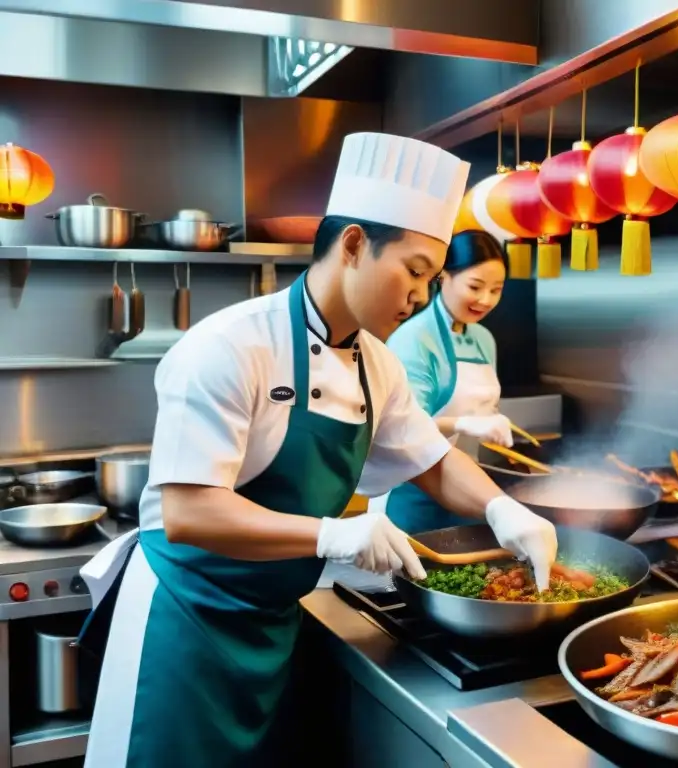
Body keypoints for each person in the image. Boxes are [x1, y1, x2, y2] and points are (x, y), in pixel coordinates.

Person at [80, 132, 557, 768]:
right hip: (185, 621)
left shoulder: (377, 365)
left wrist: (504, 511)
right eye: (414, 272)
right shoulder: (229, 346)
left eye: (431, 279)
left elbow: (432, 461)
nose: (420, 297)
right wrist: (333, 535)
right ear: (354, 245)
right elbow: (189, 513)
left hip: (271, 623)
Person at [370, 229, 515, 534]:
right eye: (475, 286)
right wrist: (463, 423)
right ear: (443, 276)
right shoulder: (414, 339)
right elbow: (398, 431)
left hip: (462, 486)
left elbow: (481, 409)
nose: (485, 300)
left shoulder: (483, 339)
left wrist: (489, 422)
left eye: (496, 289)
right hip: (411, 492)